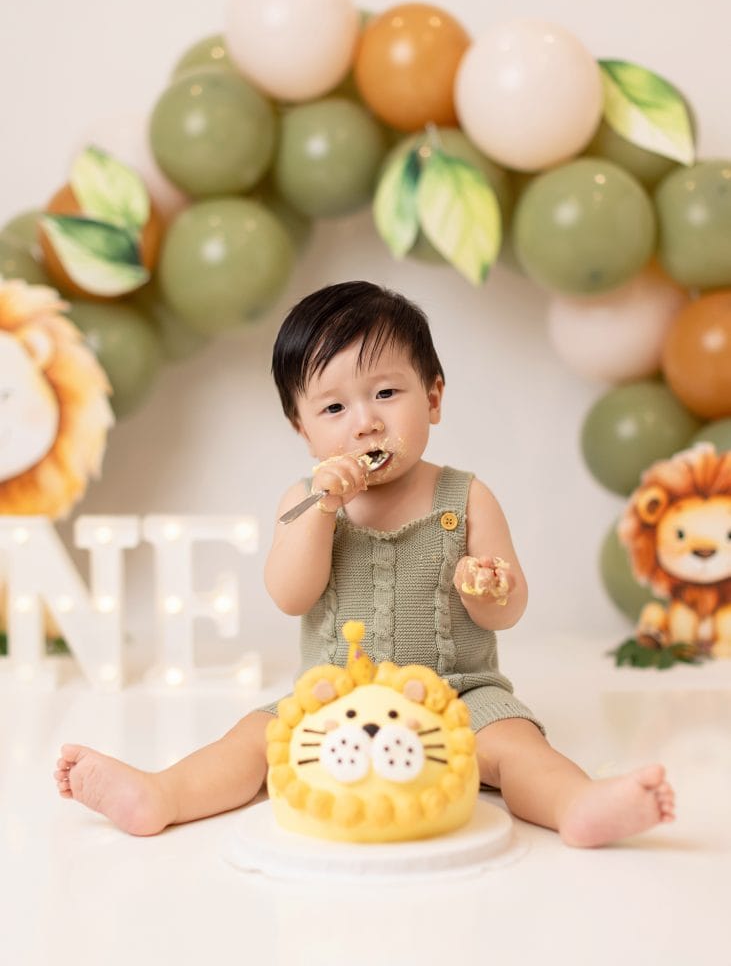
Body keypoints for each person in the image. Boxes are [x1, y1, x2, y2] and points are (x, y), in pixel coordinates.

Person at [55, 280, 675, 846]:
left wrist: (485, 587)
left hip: (459, 694)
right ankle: (159, 795)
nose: (366, 422)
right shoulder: (303, 503)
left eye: (385, 392)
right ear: (301, 429)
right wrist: (324, 511)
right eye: (333, 409)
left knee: (519, 747)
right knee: (251, 741)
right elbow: (291, 595)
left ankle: (578, 805)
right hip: (336, 695)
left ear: (432, 398)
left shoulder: (467, 496)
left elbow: (507, 610)